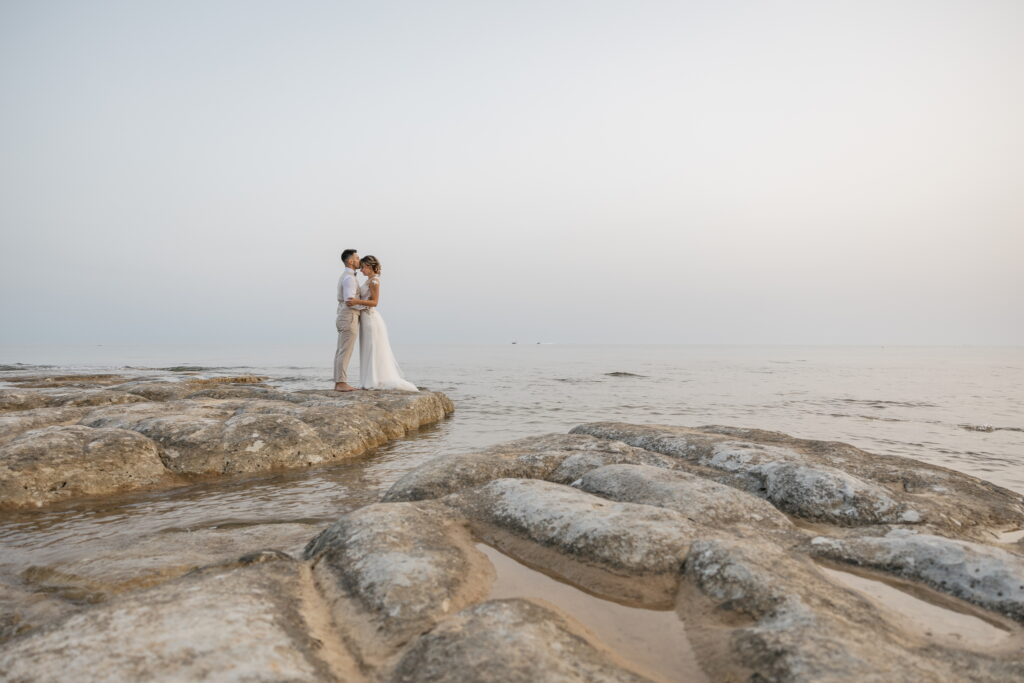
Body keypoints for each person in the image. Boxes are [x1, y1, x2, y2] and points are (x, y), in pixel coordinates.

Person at [345, 255, 418, 391]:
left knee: (372, 348)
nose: (361, 271)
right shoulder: (368, 281)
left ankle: (372, 381)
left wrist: (356, 302)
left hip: (371, 319)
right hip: (365, 318)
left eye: (363, 268)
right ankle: (368, 380)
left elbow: (375, 302)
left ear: (368, 266)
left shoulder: (374, 282)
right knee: (367, 348)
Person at [333, 249, 364, 392]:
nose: (359, 260)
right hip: (349, 316)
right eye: (357, 258)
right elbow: (350, 301)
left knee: (341, 350)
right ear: (350, 261)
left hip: (344, 315)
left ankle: (339, 382)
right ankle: (341, 383)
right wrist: (367, 306)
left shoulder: (347, 276)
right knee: (345, 351)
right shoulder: (349, 278)